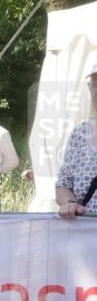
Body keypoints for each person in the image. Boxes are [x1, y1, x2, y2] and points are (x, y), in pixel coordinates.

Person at [56, 63, 97, 220]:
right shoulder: (79, 132)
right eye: (94, 85)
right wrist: (69, 203)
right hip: (82, 235)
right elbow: (63, 184)